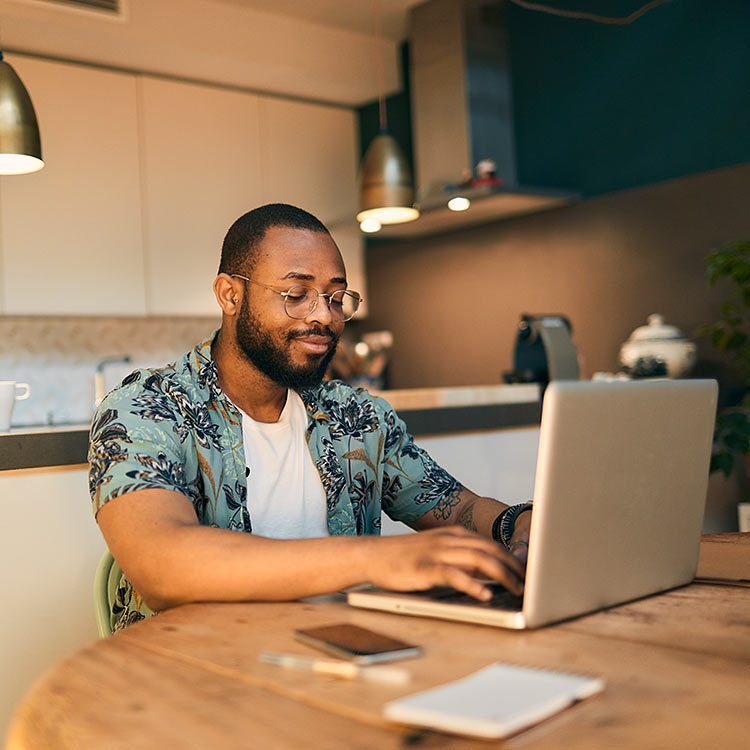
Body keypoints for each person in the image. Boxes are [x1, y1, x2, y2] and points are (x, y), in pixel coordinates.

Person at [89, 204, 532, 632]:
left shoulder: (356, 416)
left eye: (336, 297)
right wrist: (378, 559)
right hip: (197, 676)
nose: (325, 316)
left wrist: (520, 523)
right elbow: (162, 566)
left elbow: (460, 509)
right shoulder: (146, 409)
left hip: (341, 660)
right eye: (296, 295)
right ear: (230, 294)